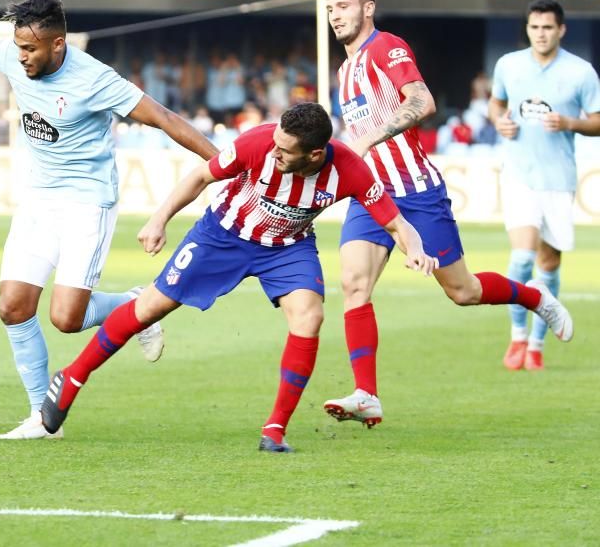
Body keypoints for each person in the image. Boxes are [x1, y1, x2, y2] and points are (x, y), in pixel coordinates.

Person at [0, 0, 218, 439]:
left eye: (30, 50)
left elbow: (165, 118)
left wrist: (226, 164)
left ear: (58, 44)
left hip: (87, 202)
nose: (21, 57)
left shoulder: (94, 79)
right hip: (39, 199)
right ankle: (42, 417)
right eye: (18, 48)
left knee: (67, 319)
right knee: (12, 307)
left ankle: (138, 305)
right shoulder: (16, 55)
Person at [39, 103, 437, 452]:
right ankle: (72, 377)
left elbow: (398, 224)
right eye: (276, 143)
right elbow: (199, 178)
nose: (275, 151)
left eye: (285, 150)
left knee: (309, 317)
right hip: (222, 236)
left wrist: (416, 249)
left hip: (288, 248)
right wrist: (159, 219)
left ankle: (275, 430)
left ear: (315, 154)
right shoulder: (257, 143)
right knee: (150, 307)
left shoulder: (349, 169)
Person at [322, 0, 574, 427]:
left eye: (343, 5)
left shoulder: (386, 47)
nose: (335, 13)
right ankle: (367, 394)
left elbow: (422, 101)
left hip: (416, 191)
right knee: (353, 284)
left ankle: (533, 296)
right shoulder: (343, 71)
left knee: (464, 291)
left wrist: (368, 141)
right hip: (372, 193)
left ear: (367, 8)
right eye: (330, 7)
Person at [488, 0, 599, 371]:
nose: (541, 34)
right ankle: (517, 338)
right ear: (528, 29)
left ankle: (537, 344)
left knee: (548, 264)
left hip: (558, 179)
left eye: (548, 27)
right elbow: (496, 103)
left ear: (561, 30)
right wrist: (500, 122)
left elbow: (598, 121)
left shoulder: (581, 72)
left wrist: (569, 123)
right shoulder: (509, 64)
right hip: (519, 173)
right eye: (535, 27)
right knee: (522, 257)